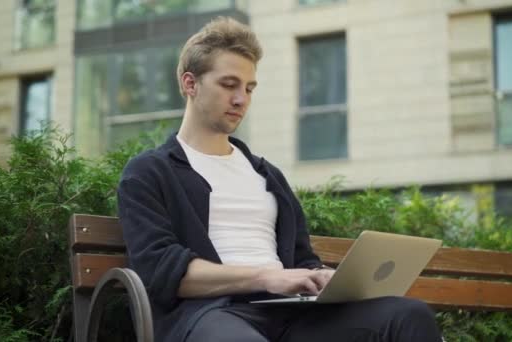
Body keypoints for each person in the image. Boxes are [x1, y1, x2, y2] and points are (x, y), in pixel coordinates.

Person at [117, 16, 441, 342]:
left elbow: (302, 258)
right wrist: (268, 277)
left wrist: (319, 277)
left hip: (292, 314)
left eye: (249, 88)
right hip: (209, 315)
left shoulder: (267, 175)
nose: (241, 99)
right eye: (229, 85)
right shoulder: (149, 172)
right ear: (190, 84)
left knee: (407, 315)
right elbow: (162, 272)